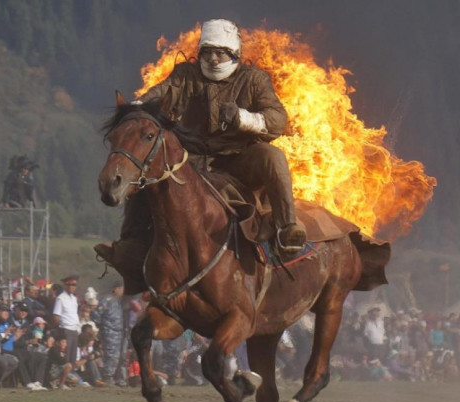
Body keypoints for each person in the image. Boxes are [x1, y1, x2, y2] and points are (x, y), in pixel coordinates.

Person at [94, 18, 306, 294]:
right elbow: (159, 93)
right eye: (208, 52)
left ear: (234, 54)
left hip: (239, 158)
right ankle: (132, 244)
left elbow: (278, 121)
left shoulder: (254, 80)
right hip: (192, 160)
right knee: (147, 171)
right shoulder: (185, 75)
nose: (214, 59)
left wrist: (244, 118)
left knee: (273, 157)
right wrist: (135, 108)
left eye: (220, 52)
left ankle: (287, 228)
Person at [91, 282, 127, 386]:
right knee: (110, 355)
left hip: (118, 333)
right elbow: (96, 314)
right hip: (109, 332)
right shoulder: (107, 299)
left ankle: (111, 377)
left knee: (116, 356)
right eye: (121, 289)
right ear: (115, 289)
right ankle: (107, 377)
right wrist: (102, 327)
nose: (122, 291)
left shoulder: (119, 302)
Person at [53, 276, 81, 364]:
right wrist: (60, 331)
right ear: (66, 285)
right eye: (70, 285)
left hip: (74, 329)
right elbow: (56, 316)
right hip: (65, 329)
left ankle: (71, 374)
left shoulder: (74, 298)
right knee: (66, 356)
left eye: (74, 285)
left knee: (73, 356)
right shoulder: (61, 298)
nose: (72, 287)